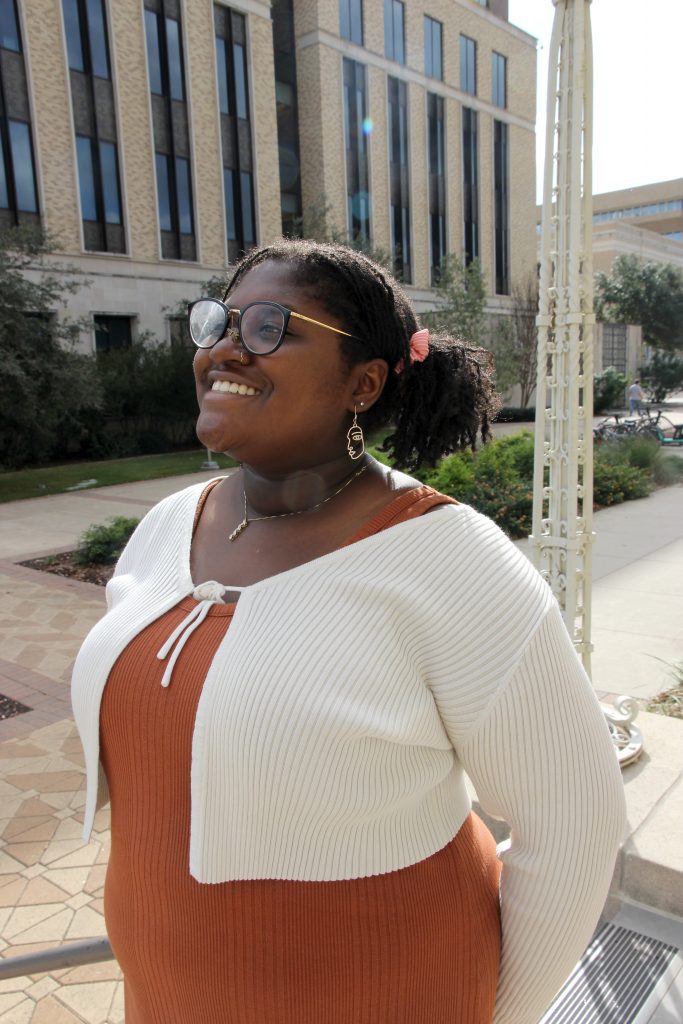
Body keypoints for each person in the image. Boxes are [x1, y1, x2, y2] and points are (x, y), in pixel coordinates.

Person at [71, 239, 625, 1024]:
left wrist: (497, 1012)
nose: (226, 346)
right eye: (219, 322)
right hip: (167, 989)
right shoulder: (166, 526)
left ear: (362, 382)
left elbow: (575, 822)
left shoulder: (450, 559)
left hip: (383, 988)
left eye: (269, 326)